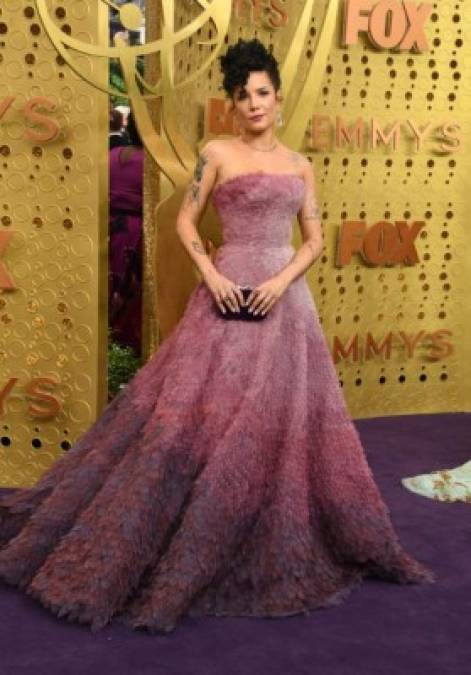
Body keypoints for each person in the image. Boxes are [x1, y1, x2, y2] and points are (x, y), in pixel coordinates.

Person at [0, 38, 435, 635]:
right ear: (232, 104)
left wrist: (282, 282)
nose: (252, 104)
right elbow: (184, 219)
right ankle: (183, 530)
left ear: (277, 99)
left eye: (261, 93)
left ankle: (257, 529)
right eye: (241, 95)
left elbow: (312, 239)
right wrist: (213, 274)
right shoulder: (217, 152)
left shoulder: (301, 165)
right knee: (199, 419)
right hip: (224, 294)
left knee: (276, 426)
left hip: (284, 304)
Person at [108, 111, 144, 356]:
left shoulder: (111, 156)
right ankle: (127, 345)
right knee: (132, 288)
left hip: (111, 228)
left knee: (111, 283)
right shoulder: (152, 164)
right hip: (136, 232)